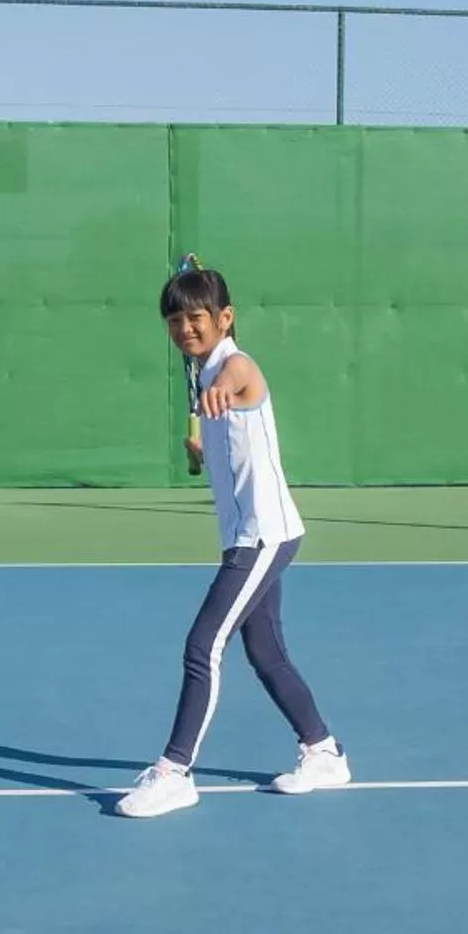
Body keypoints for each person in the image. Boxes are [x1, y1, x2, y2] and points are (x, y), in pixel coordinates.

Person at [116, 263, 350, 818]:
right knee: (265, 652)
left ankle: (175, 772)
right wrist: (206, 448)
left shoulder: (235, 367)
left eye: (196, 317)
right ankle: (324, 753)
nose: (184, 328)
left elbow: (237, 383)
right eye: (174, 320)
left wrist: (218, 395)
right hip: (249, 535)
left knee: (203, 645)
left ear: (225, 317)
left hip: (261, 537)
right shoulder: (205, 369)